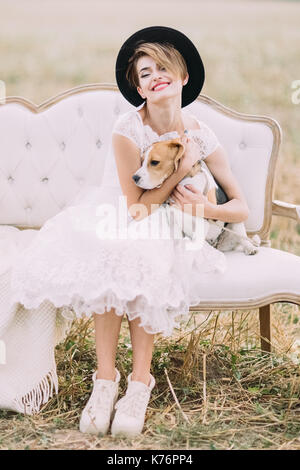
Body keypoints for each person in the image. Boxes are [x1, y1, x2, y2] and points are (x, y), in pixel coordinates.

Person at [8, 26, 249, 437]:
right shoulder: (128, 128)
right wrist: (182, 170)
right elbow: (136, 206)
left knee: (144, 255)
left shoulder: (201, 134)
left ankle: (140, 383)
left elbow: (240, 207)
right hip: (125, 212)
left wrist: (204, 206)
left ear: (183, 77)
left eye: (162, 67)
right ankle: (106, 380)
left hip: (174, 224)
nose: (155, 75)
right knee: (116, 250)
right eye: (144, 73)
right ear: (139, 89)